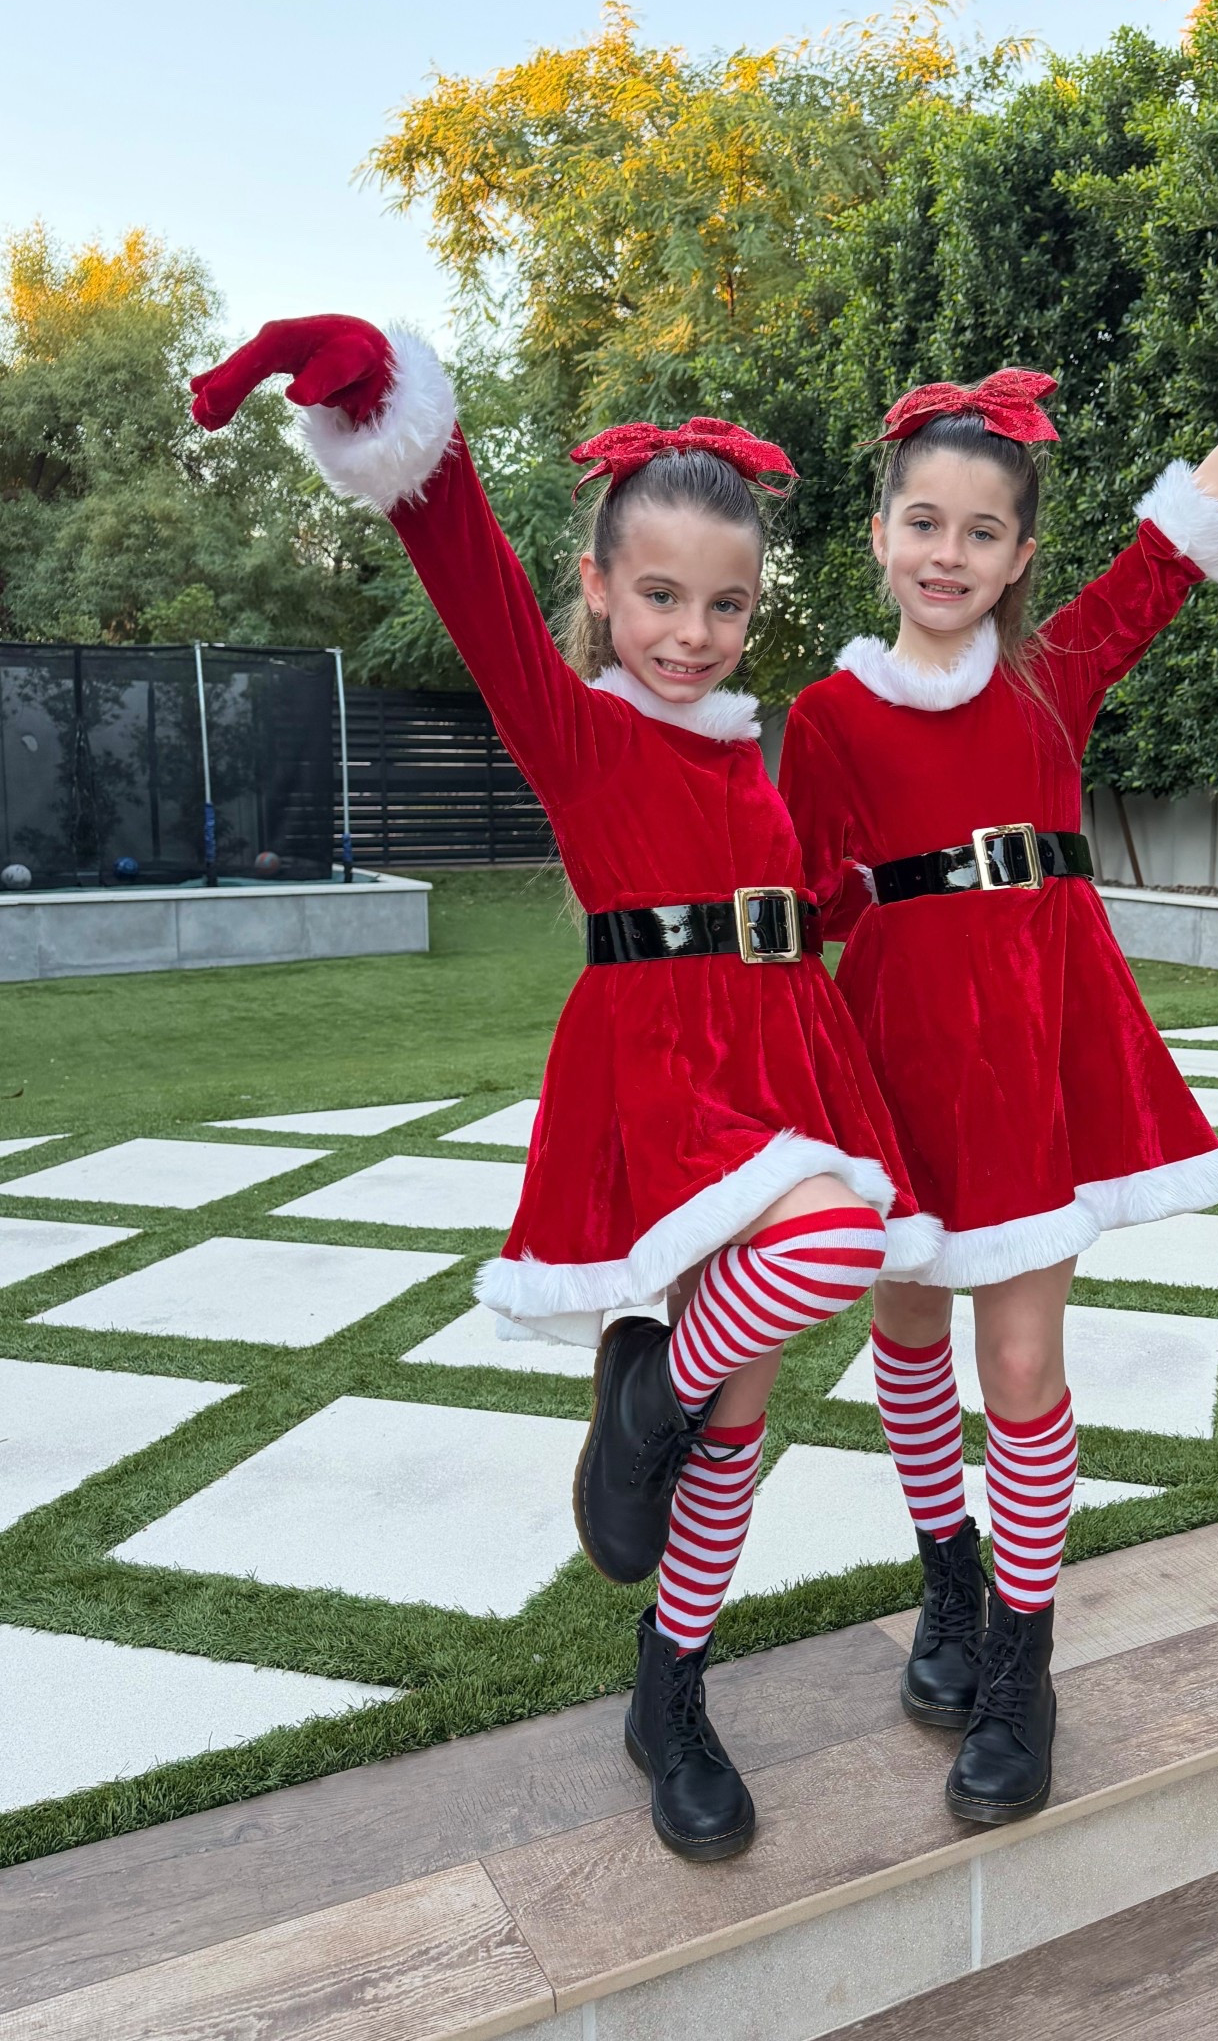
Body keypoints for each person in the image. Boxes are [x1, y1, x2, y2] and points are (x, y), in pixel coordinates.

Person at [191, 315, 939, 1861]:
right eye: (660, 595)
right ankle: (641, 1399)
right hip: (660, 1079)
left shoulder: (748, 747)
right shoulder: (576, 722)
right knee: (824, 1256)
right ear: (599, 588)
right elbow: (465, 579)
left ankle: (669, 1689)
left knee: (744, 1413)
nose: (693, 631)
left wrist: (845, 901)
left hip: (782, 1050)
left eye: (726, 605)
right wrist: (393, 416)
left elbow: (776, 884)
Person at [778, 339, 1218, 1824]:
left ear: (1020, 553)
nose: (948, 553)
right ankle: (950, 1594)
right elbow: (801, 905)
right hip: (896, 1053)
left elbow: (1181, 542)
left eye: (983, 532)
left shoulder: (1056, 672)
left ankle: (1025, 1674)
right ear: (879, 532)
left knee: (1021, 1370)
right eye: (924, 523)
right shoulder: (826, 720)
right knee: (905, 1333)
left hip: (1028, 1057)